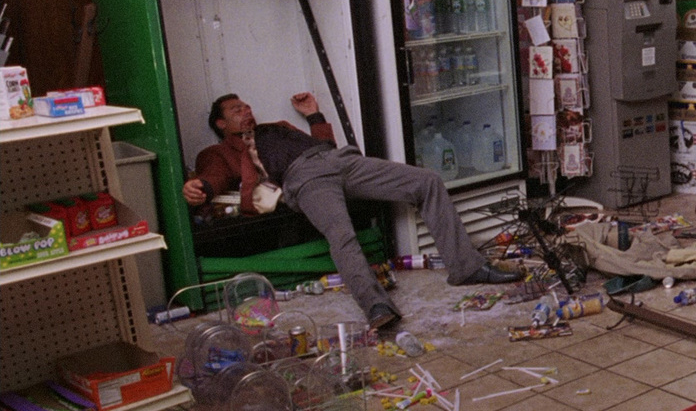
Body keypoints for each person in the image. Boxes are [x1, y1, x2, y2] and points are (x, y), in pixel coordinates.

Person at [183, 92, 522, 332]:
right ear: (221, 123)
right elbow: (214, 174)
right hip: (304, 178)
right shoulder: (221, 150)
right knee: (340, 233)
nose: (245, 109)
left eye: (245, 104)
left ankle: (466, 267)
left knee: (426, 181)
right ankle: (376, 306)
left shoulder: (276, 127)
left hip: (340, 160)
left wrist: (314, 114)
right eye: (235, 109)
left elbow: (321, 143)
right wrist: (203, 188)